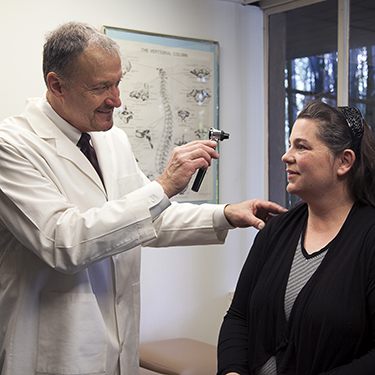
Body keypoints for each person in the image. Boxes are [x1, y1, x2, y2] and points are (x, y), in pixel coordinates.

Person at [0, 22, 285, 375]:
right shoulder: (12, 147)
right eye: (101, 87)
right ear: (57, 85)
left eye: (118, 82)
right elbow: (63, 241)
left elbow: (148, 218)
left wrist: (225, 214)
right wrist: (164, 184)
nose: (116, 99)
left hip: (118, 347)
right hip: (53, 351)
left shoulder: (110, 139)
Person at [217, 99, 375, 375]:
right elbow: (238, 317)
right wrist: (232, 371)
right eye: (290, 144)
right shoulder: (277, 231)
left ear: (344, 161)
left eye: (301, 146)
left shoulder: (369, 238)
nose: (286, 156)